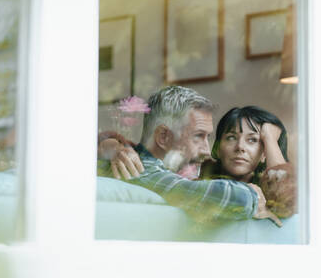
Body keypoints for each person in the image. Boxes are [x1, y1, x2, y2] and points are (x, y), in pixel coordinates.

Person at [98, 86, 278, 224]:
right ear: (163, 136)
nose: (206, 151)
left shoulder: (140, 162)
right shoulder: (142, 170)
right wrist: (253, 194)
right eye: (198, 136)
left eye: (208, 137)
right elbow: (236, 198)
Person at [200, 106, 297, 218]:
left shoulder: (267, 191)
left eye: (252, 140)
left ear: (264, 153)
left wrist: (269, 138)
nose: (240, 147)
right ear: (217, 149)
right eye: (231, 137)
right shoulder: (200, 186)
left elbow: (286, 200)